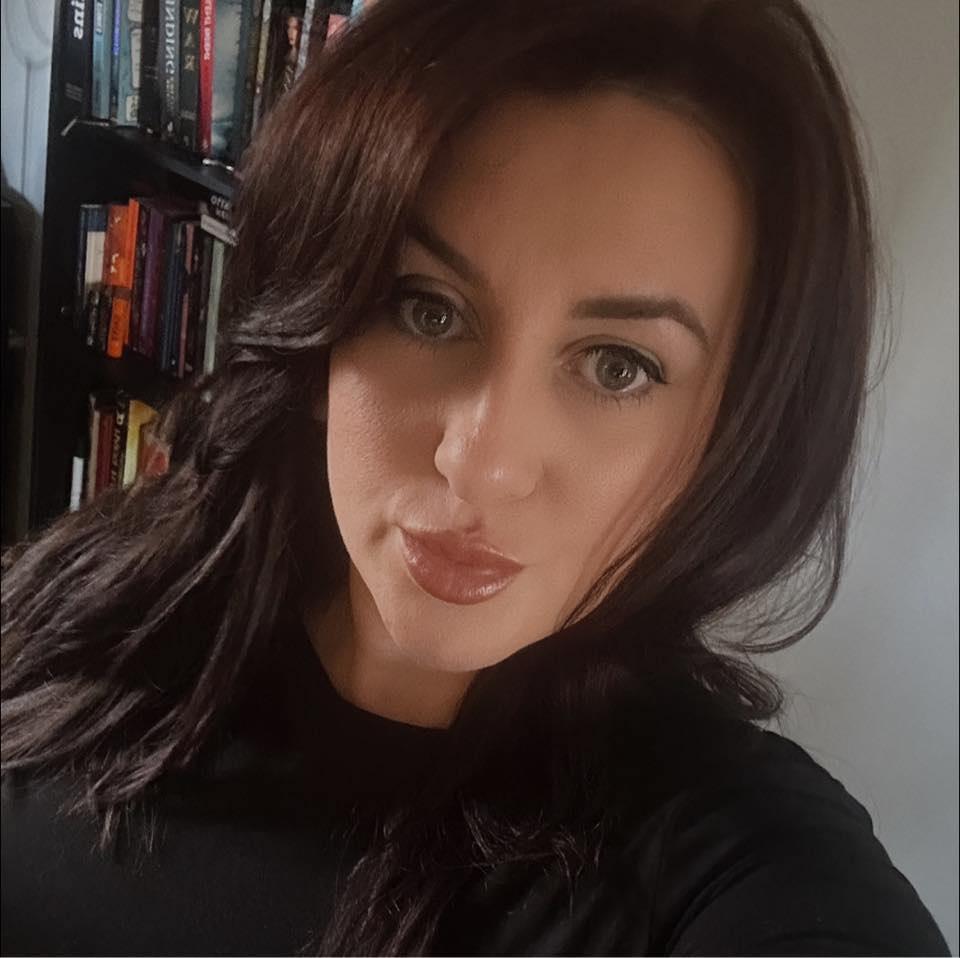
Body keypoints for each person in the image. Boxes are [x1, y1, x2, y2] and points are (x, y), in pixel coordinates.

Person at [1, 0, 951, 954]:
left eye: (618, 366)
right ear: (323, 324)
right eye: (427, 309)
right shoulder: (99, 587)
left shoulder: (730, 867)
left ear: (730, 430)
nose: (481, 463)